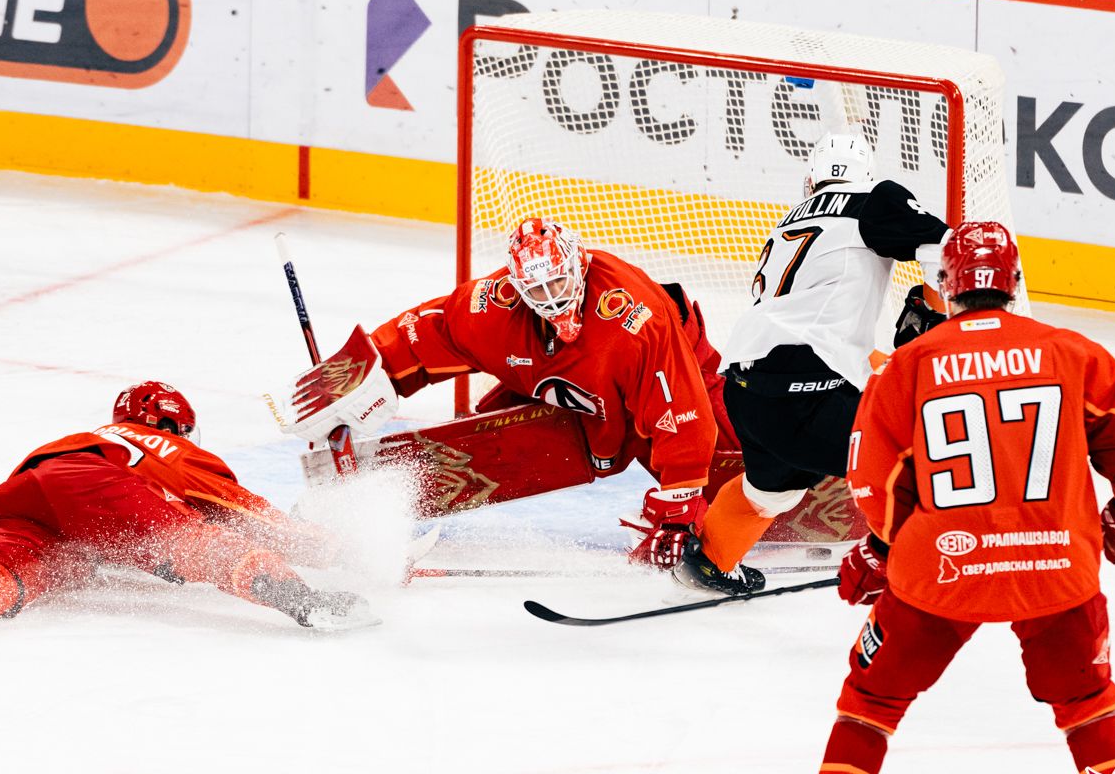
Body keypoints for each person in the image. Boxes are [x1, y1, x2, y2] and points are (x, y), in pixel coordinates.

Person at [786, 222, 1115, 774]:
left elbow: (877, 486)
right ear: (1015, 282)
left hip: (940, 574)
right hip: (1056, 570)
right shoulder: (1071, 352)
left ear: (946, 284)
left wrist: (883, 552)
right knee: (1088, 702)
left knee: (872, 699)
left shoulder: (907, 366)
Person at [282, 215, 763, 593]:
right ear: (517, 287)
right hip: (575, 392)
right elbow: (432, 330)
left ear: (578, 263)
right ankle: (352, 498)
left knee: (747, 465)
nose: (552, 299)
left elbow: (683, 413)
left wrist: (677, 509)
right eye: (537, 290)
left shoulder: (636, 319)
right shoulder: (493, 307)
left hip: (674, 378)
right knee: (497, 437)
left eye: (558, 283)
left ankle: (782, 485)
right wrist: (364, 372)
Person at [0, 381, 376, 648]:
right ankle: (301, 600)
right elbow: (233, 509)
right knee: (194, 542)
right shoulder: (159, 444)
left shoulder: (88, 436)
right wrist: (331, 548)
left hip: (18, 501)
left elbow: (68, 504)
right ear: (170, 425)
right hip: (92, 488)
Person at [689, 133, 952, 595]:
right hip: (807, 387)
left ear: (812, 180)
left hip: (746, 388)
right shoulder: (875, 198)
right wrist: (935, 318)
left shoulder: (790, 220)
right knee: (918, 453)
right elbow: (946, 248)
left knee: (769, 491)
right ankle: (923, 562)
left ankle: (709, 562)